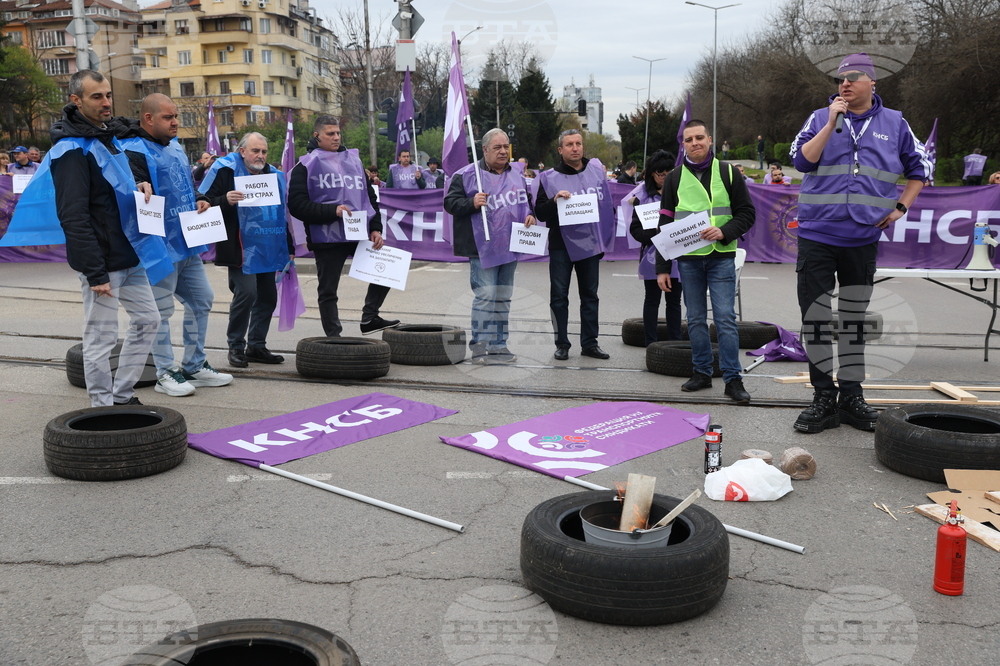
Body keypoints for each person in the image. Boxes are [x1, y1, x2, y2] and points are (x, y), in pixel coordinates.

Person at [790, 52, 929, 433]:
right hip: (817, 234)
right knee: (816, 318)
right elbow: (801, 161)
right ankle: (823, 398)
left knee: (853, 320)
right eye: (840, 80)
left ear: (873, 83)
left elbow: (921, 170)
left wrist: (901, 205)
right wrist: (831, 119)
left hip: (862, 237)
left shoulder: (896, 123)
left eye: (853, 78)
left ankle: (851, 397)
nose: (845, 84)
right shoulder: (821, 117)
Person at [50, 70, 162, 406]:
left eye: (108, 95)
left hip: (130, 253)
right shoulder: (70, 149)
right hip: (102, 262)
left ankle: (123, 394)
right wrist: (94, 271)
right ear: (76, 100)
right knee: (100, 337)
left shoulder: (107, 137)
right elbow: (73, 214)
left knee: (149, 321)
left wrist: (138, 187)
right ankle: (102, 407)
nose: (106, 102)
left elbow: (112, 191)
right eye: (97, 96)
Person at [115, 93, 233, 397]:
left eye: (176, 115)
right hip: (157, 248)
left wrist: (201, 200)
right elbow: (134, 189)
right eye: (169, 117)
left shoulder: (177, 148)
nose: (176, 122)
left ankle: (194, 364)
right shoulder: (132, 150)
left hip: (187, 241)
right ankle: (165, 373)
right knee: (162, 310)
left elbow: (185, 189)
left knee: (202, 300)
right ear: (149, 119)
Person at [655, 119, 755, 405]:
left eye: (700, 138)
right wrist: (662, 268)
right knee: (696, 319)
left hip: (721, 256)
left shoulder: (728, 173)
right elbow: (664, 223)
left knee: (725, 318)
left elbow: (747, 213)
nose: (695, 143)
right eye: (689, 139)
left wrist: (725, 231)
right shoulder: (673, 178)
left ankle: (733, 379)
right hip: (688, 261)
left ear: (710, 140)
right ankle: (701, 372)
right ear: (682, 144)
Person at [288, 115, 400, 338]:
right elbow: (297, 206)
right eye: (330, 134)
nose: (336, 137)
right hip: (327, 238)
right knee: (328, 290)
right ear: (317, 135)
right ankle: (334, 338)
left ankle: (369, 317)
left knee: (389, 267)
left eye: (338, 133)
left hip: (358, 232)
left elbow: (370, 198)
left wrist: (375, 228)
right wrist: (333, 211)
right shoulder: (305, 166)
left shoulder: (354, 161)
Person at [199, 132, 293, 367]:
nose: (260, 156)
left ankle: (257, 346)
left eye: (264, 151)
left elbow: (281, 214)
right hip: (239, 247)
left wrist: (288, 246)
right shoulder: (224, 170)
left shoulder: (274, 175)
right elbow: (201, 200)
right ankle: (236, 346)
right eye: (255, 151)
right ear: (242, 151)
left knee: (268, 297)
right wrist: (224, 199)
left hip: (268, 245)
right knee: (247, 293)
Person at [444, 128, 535, 364]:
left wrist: (531, 216)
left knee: (503, 296)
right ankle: (480, 347)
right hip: (481, 247)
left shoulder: (517, 174)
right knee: (486, 296)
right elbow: (450, 203)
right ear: (484, 150)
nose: (503, 151)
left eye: (506, 147)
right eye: (498, 147)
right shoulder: (466, 175)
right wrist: (471, 202)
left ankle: (499, 345)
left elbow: (527, 203)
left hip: (510, 245)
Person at [535, 129, 615, 361]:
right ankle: (562, 343)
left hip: (590, 244)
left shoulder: (597, 173)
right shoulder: (548, 178)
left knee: (590, 295)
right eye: (569, 144)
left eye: (578, 143)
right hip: (561, 245)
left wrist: (602, 240)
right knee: (559, 296)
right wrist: (554, 201)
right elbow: (540, 212)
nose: (575, 148)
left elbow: (606, 208)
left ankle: (590, 343)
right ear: (561, 150)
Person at [628, 150, 682, 346]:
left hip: (677, 254)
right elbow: (635, 230)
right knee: (652, 300)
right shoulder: (643, 198)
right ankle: (650, 341)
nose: (665, 178)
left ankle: (676, 342)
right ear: (652, 174)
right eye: (661, 174)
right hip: (651, 256)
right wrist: (656, 233)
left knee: (674, 302)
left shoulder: (681, 196)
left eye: (669, 173)